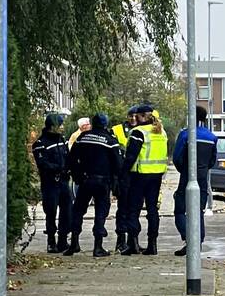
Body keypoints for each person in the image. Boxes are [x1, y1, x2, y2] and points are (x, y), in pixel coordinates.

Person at [66, 114, 121, 257]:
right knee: (100, 213)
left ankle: (74, 244)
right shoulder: (110, 140)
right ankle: (98, 247)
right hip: (103, 182)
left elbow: (71, 159)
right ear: (105, 124)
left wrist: (78, 176)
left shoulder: (82, 138)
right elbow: (118, 164)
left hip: (85, 180)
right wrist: (116, 183)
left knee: (78, 210)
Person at [121, 104, 169, 255]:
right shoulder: (162, 132)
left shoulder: (138, 132)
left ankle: (133, 243)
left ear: (140, 116)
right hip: (157, 175)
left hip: (139, 175)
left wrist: (123, 173)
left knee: (133, 209)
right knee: (152, 209)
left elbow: (131, 157)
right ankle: (152, 245)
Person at [172, 105, 218, 256]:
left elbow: (177, 157)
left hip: (187, 176)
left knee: (180, 209)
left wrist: (184, 170)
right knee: (198, 210)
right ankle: (198, 241)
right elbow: (213, 160)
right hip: (203, 177)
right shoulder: (211, 137)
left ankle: (189, 240)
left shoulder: (185, 135)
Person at [32, 113, 73, 253]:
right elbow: (42, 164)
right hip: (50, 183)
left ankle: (63, 239)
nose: (62, 127)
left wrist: (69, 169)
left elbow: (68, 157)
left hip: (63, 182)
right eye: (60, 125)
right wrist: (58, 169)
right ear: (52, 126)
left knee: (67, 211)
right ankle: (51, 241)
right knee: (51, 212)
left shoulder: (62, 140)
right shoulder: (40, 144)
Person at [111, 106, 139, 252]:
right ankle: (120, 240)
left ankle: (133, 240)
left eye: (136, 116)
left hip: (137, 174)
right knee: (123, 209)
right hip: (123, 175)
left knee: (134, 210)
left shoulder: (142, 130)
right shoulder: (116, 130)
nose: (133, 119)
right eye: (131, 116)